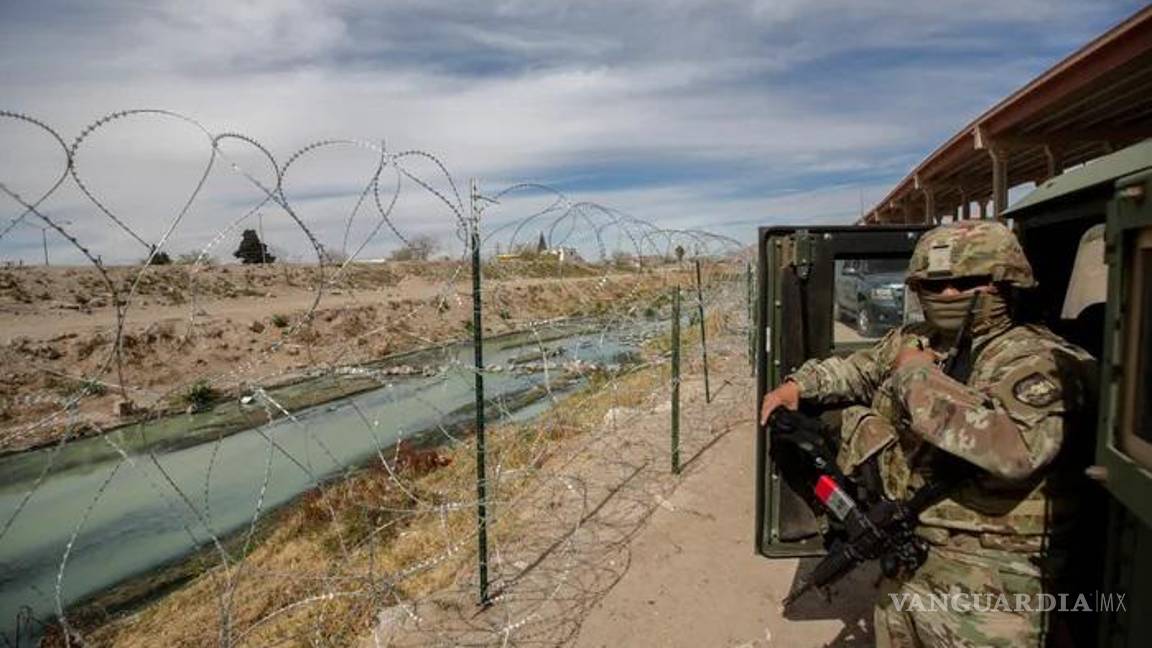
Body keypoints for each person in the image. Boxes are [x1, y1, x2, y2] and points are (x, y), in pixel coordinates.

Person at [759, 221, 1095, 647]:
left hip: (989, 579)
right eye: (935, 286)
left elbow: (1016, 450)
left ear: (1006, 284)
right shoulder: (916, 339)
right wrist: (802, 385)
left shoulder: (1038, 359)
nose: (950, 295)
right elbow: (859, 370)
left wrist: (916, 377)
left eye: (968, 283)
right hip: (907, 553)